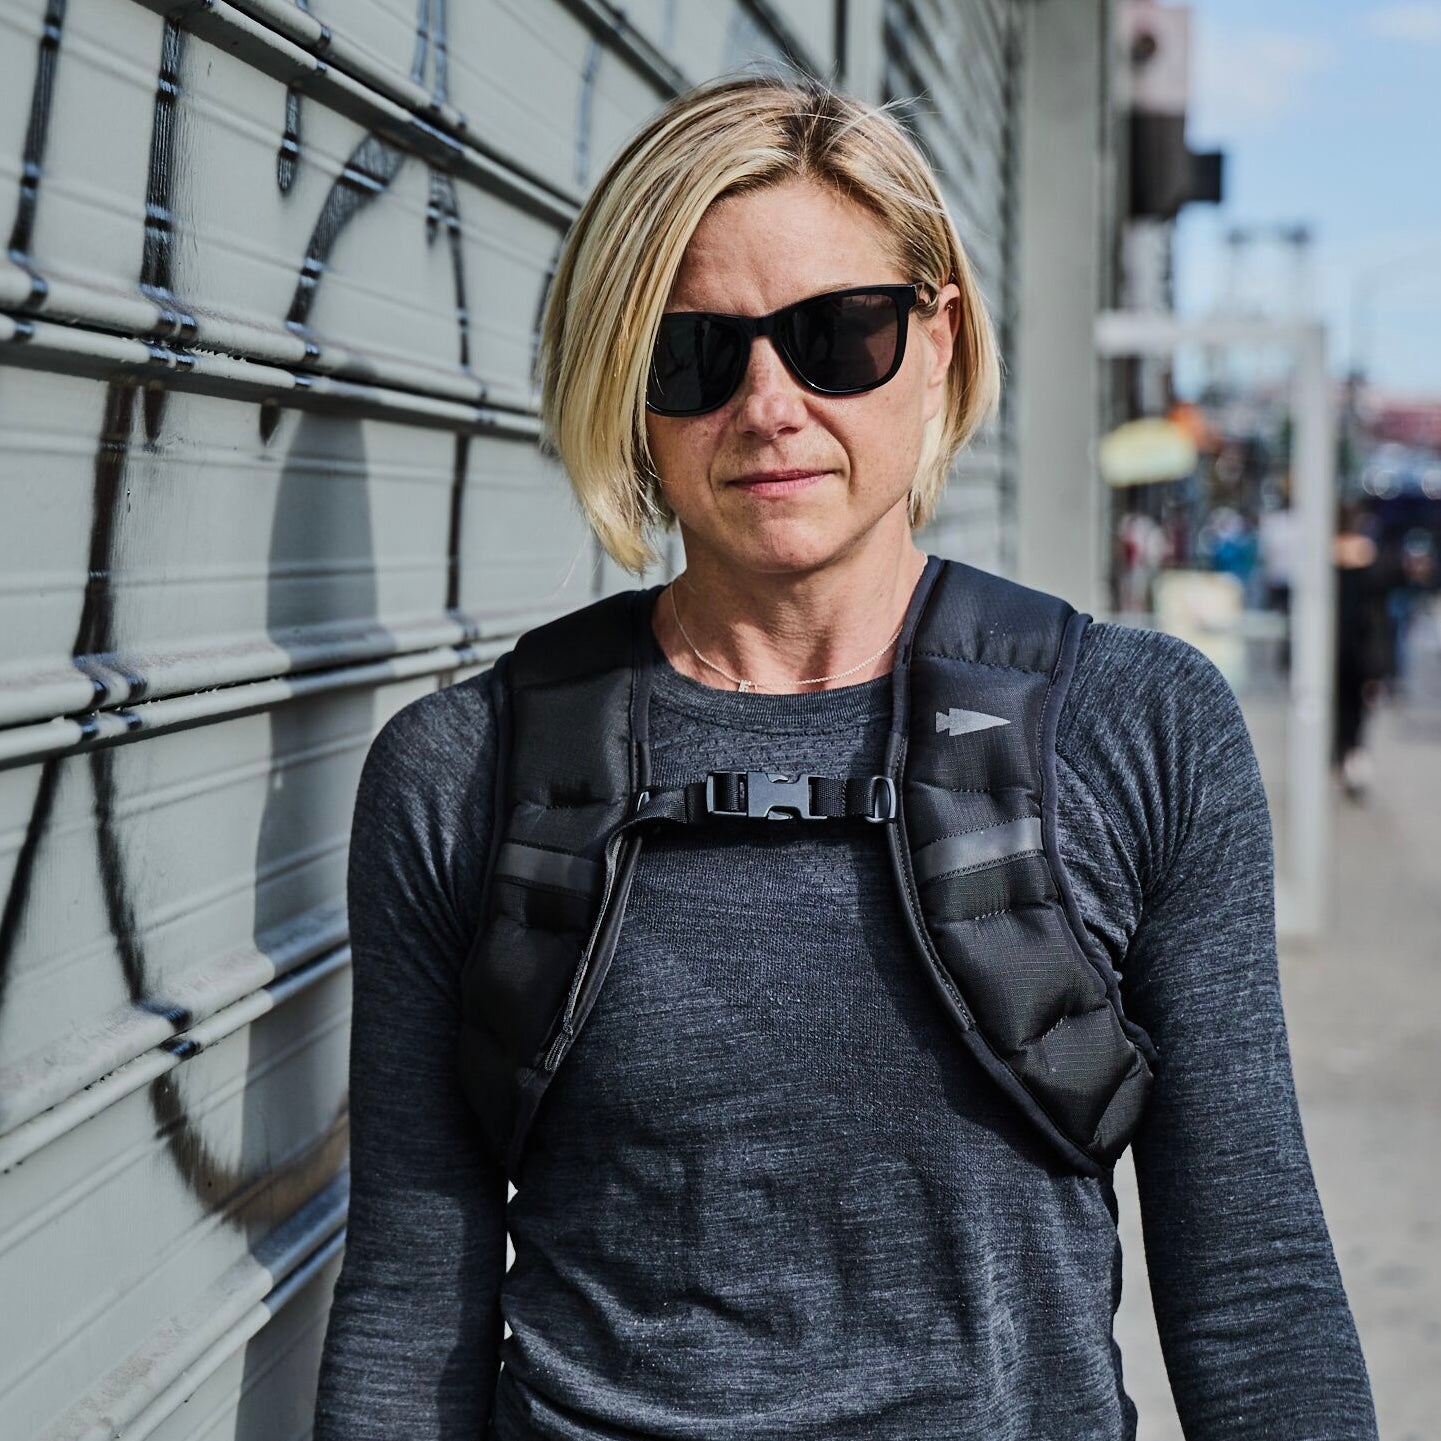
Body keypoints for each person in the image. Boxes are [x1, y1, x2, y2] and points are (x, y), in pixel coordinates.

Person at [313, 76, 1377, 1441]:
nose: (768, 403)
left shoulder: (1139, 727)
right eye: (695, 353)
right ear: (623, 388)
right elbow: (411, 1303)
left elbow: (1252, 1285)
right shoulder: (459, 770)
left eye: (837, 335)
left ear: (935, 339)